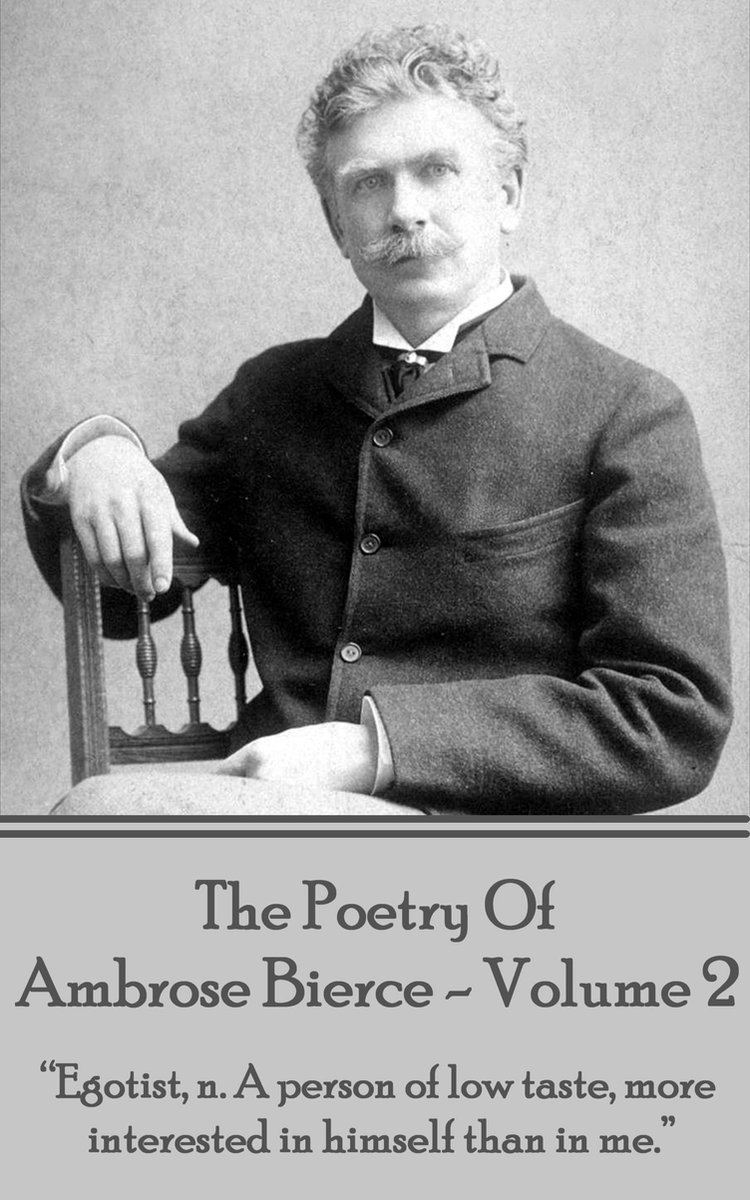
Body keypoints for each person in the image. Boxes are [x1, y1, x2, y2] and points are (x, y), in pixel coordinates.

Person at [22, 24, 732, 814]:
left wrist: (373, 748)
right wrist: (98, 453)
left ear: (508, 195)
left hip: (499, 840)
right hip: (267, 817)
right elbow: (127, 599)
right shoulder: (272, 396)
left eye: (436, 171)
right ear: (337, 225)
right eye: (367, 184)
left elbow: (670, 718)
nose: (404, 211)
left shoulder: (625, 410)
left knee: (98, 818)